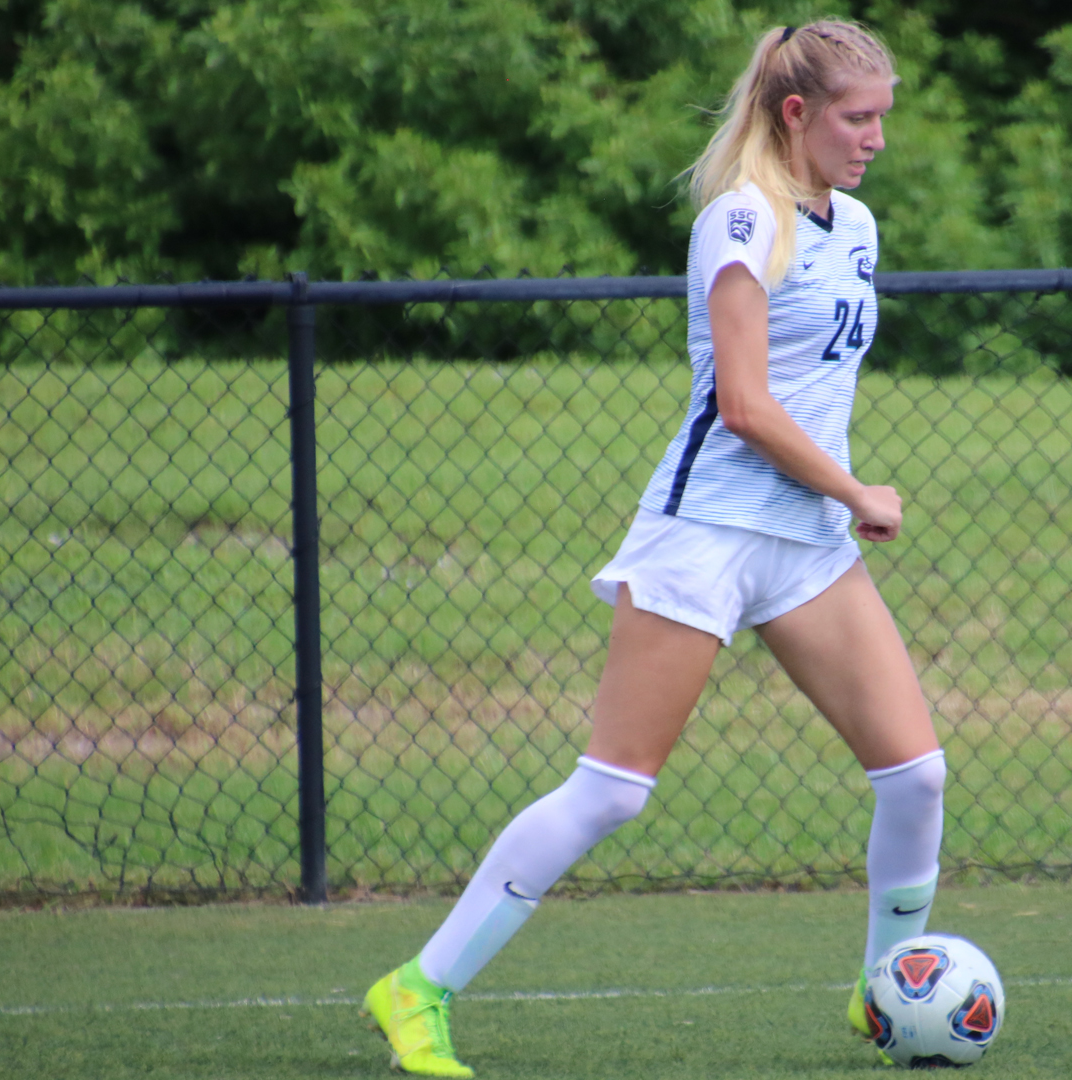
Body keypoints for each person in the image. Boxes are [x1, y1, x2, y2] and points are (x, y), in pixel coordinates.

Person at [360, 21, 946, 1077]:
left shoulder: (854, 225)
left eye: (883, 119)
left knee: (916, 776)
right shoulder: (739, 220)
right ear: (796, 114)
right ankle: (418, 988)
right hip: (709, 534)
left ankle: (886, 993)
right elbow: (744, 405)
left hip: (805, 544)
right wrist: (858, 489)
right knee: (615, 789)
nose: (876, 140)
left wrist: (837, 503)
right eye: (859, 119)